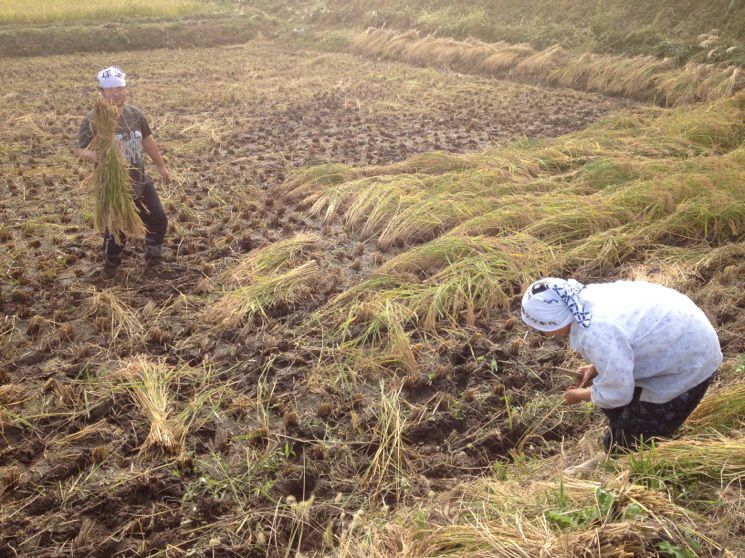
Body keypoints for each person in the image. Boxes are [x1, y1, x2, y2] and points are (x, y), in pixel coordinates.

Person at [520, 277, 722, 456]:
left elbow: (617, 394)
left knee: (626, 445)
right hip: (682, 339)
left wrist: (578, 395)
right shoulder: (586, 297)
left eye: (542, 328)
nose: (543, 334)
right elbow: (626, 336)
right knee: (618, 414)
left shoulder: (594, 332)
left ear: (554, 322)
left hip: (690, 364)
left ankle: (633, 454)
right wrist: (598, 367)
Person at [78, 65, 171, 276]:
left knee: (158, 221)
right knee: (117, 232)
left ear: (125, 89)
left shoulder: (134, 114)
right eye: (110, 89)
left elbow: (147, 140)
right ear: (101, 92)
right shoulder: (94, 118)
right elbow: (80, 150)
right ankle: (110, 267)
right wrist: (97, 157)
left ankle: (153, 263)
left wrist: (161, 165)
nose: (116, 93)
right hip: (114, 185)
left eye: (119, 88)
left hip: (139, 179)